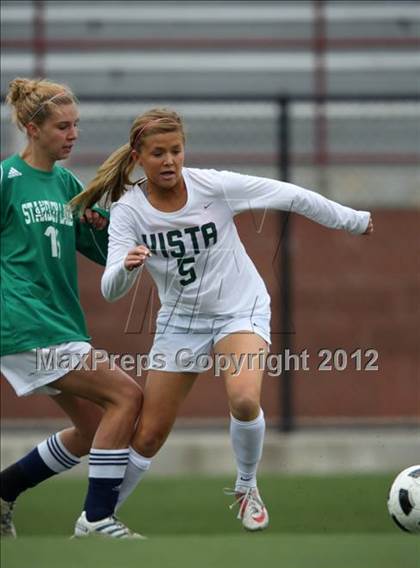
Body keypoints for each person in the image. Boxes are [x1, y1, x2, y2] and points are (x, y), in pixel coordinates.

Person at [72, 108, 373, 532]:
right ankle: (96, 520)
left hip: (239, 308)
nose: (169, 161)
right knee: (148, 436)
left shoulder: (213, 186)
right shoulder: (128, 211)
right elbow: (110, 288)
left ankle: (246, 485)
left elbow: (289, 195)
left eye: (176, 150)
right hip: (180, 323)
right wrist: (126, 266)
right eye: (158, 153)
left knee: (245, 399)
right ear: (138, 155)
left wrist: (354, 220)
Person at [0, 78, 145, 539]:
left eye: (76, 125)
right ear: (30, 127)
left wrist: (136, 227)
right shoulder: (5, 181)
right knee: (126, 396)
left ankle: (4, 490)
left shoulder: (67, 184)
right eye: (63, 126)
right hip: (24, 324)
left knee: (95, 428)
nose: (73, 134)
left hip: (58, 324)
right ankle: (97, 519)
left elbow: (105, 248)